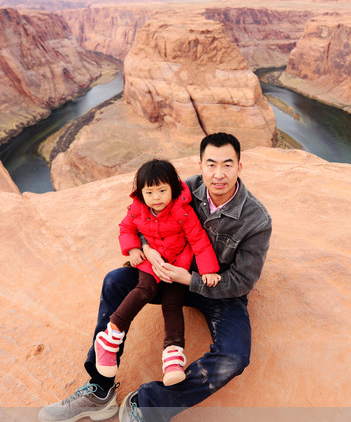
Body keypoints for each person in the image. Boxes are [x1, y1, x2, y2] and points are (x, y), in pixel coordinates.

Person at [38, 132, 272, 422]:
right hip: (165, 276)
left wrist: (190, 279)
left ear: (239, 166)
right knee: (114, 282)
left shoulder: (257, 220)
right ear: (200, 165)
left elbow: (242, 282)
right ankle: (100, 389)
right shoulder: (180, 189)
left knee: (234, 356)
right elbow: (139, 219)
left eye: (228, 164)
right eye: (211, 164)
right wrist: (147, 250)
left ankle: (150, 403)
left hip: (217, 290)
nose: (219, 174)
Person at [95, 159, 221, 387]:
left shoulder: (182, 211)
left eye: (162, 190)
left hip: (178, 266)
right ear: (141, 193)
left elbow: (199, 240)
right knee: (145, 290)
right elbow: (126, 228)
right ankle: (110, 337)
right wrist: (134, 248)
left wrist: (209, 270)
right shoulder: (137, 210)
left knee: (172, 302)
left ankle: (173, 356)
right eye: (149, 192)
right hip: (151, 265)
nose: (156, 197)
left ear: (173, 187)